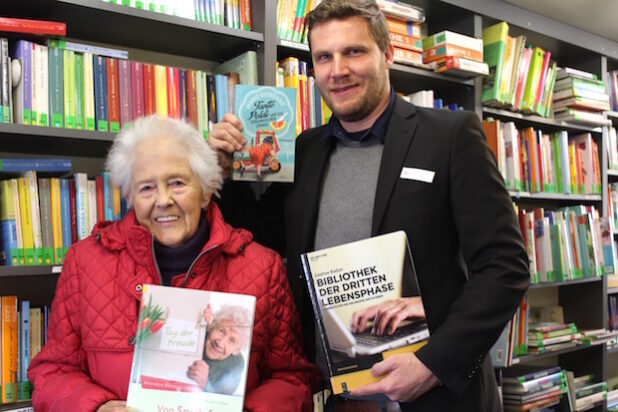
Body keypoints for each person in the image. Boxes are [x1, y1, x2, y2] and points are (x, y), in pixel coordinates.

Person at [209, 0, 530, 410]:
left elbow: (505, 268)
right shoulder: (303, 150)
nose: (337, 70)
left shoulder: (450, 137)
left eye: (353, 52)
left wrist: (432, 364)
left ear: (388, 53)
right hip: (334, 397)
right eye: (324, 57)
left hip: (435, 396)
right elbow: (265, 247)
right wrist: (226, 174)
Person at [27, 115, 319, 412]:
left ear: (206, 190)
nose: (163, 200)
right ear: (130, 196)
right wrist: (98, 408)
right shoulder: (85, 262)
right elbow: (52, 373)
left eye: (177, 183)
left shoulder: (262, 268)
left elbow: (292, 379)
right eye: (146, 188)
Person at [186, 304, 252, 395]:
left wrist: (204, 383)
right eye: (221, 331)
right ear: (212, 326)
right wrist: (197, 315)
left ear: (237, 350)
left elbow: (223, 399)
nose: (220, 343)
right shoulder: (201, 333)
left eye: (231, 341)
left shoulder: (236, 363)